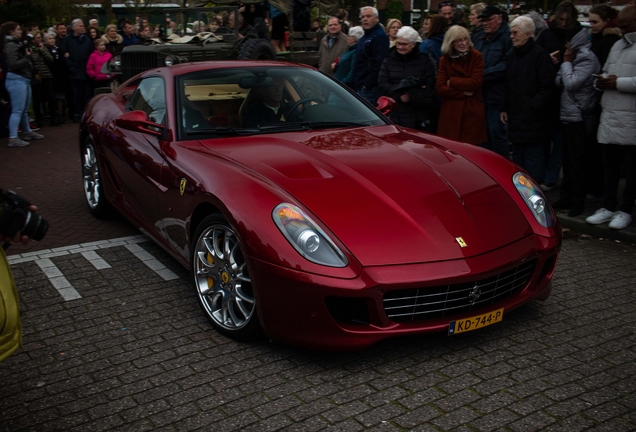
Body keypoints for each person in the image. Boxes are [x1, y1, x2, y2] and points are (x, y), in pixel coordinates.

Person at [585, 5, 636, 230]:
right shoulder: (617, 45)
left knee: (631, 170)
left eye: (626, 25)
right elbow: (605, 71)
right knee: (609, 167)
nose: (622, 29)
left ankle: (626, 209)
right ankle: (609, 206)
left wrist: (617, 83)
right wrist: (601, 80)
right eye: (621, 25)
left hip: (631, 118)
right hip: (610, 115)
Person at [551, 28, 601, 217]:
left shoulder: (587, 59)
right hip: (568, 114)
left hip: (580, 115)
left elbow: (571, 83)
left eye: (567, 43)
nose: (565, 47)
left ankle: (577, 201)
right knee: (567, 159)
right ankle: (566, 197)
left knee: (578, 161)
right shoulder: (572, 60)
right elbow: (559, 81)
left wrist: (565, 63)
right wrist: (566, 67)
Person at [500, 16, 554, 184]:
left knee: (533, 159)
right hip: (517, 116)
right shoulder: (512, 56)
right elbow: (508, 84)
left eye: (516, 33)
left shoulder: (540, 56)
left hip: (534, 118)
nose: (512, 36)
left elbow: (547, 86)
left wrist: (533, 106)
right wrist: (505, 107)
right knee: (517, 160)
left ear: (528, 33)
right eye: (511, 33)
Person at [535, 1, 582, 191]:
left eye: (567, 20)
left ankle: (552, 176)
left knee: (560, 141)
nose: (563, 23)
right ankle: (543, 174)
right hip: (548, 93)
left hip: (567, 93)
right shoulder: (546, 34)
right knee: (545, 139)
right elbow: (536, 55)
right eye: (561, 19)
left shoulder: (578, 35)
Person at [472, 6, 512, 158]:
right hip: (480, 95)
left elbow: (507, 65)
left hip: (498, 95)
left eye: (489, 20)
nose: (485, 23)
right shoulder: (479, 37)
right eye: (483, 20)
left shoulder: (507, 38)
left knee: (497, 134)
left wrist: (481, 75)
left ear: (499, 18)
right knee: (481, 136)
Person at [378, 26, 436, 131]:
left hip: (417, 111)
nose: (400, 47)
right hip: (395, 109)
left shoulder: (424, 61)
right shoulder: (389, 59)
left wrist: (411, 95)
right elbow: (382, 82)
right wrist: (399, 95)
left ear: (413, 44)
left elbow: (430, 84)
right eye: (398, 43)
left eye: (403, 44)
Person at [436, 25, 487, 144]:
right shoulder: (445, 60)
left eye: (465, 40)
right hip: (451, 112)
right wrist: (463, 92)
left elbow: (475, 82)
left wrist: (452, 82)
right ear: (451, 42)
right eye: (459, 40)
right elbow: (440, 88)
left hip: (470, 110)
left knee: (471, 148)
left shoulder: (476, 56)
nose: (463, 43)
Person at [1, 22, 44, 147]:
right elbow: (13, 64)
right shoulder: (10, 46)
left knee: (24, 110)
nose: (20, 31)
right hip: (16, 79)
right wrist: (27, 57)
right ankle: (13, 138)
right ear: (11, 32)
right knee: (17, 110)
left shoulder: (16, 44)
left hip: (23, 78)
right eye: (18, 29)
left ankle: (27, 131)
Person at [353, 6, 389, 105]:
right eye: (363, 17)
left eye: (368, 16)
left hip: (369, 88)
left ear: (376, 18)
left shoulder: (379, 37)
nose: (365, 19)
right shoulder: (364, 37)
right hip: (361, 84)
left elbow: (380, 63)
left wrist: (367, 84)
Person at [64, 18, 93, 122]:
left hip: (85, 71)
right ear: (74, 27)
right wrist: (71, 67)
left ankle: (85, 113)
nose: (82, 28)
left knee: (86, 94)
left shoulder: (87, 40)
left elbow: (91, 54)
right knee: (74, 94)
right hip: (74, 71)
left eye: (83, 26)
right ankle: (75, 113)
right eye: (80, 26)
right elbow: (65, 55)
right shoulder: (67, 39)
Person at [29, 31, 54, 129]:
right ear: (33, 39)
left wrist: (43, 50)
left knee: (51, 97)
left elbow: (50, 59)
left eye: (40, 37)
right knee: (37, 99)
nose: (40, 39)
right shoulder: (30, 49)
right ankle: (39, 120)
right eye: (37, 38)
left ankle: (53, 118)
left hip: (46, 75)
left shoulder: (44, 47)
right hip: (36, 77)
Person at [43, 32, 66, 126]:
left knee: (60, 96)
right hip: (49, 75)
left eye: (53, 38)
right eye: (49, 38)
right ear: (45, 41)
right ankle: (52, 115)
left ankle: (60, 114)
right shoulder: (44, 50)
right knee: (51, 97)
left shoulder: (58, 49)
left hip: (59, 75)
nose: (52, 40)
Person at [589, 4, 621, 68]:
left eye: (595, 22)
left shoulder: (610, 39)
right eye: (590, 22)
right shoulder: (595, 36)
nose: (591, 25)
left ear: (607, 21)